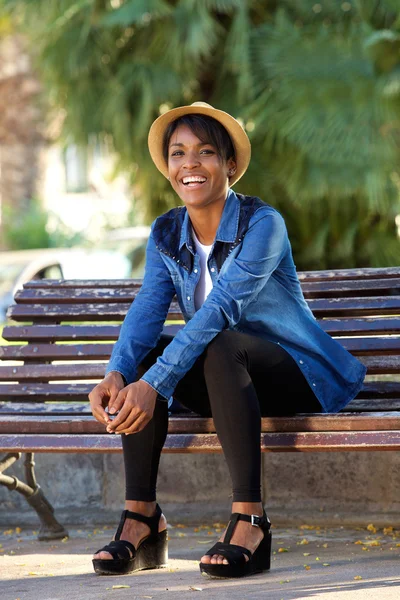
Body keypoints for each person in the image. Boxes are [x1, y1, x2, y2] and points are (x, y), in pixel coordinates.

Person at [89, 102, 367, 579]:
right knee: (147, 360)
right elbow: (147, 311)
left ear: (230, 165)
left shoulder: (263, 224)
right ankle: (142, 519)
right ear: (169, 167)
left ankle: (251, 521)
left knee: (217, 344)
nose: (190, 164)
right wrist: (117, 372)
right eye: (178, 153)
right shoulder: (166, 231)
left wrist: (155, 383)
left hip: (297, 374)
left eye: (205, 152)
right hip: (227, 379)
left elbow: (221, 311)